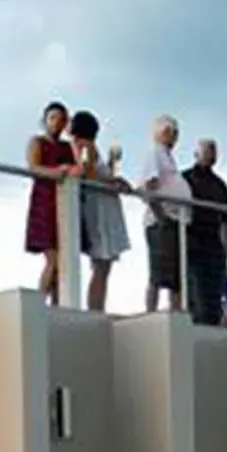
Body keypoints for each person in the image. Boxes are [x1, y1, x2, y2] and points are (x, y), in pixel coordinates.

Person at [69, 111, 132, 312]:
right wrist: (113, 181)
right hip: (99, 207)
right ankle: (96, 308)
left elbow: (91, 170)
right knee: (101, 265)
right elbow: (87, 169)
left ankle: (97, 307)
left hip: (100, 204)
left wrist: (112, 166)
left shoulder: (84, 147)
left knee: (101, 266)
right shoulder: (85, 146)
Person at [24, 101, 78, 304]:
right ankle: (39, 303)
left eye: (62, 119)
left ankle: (56, 304)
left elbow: (79, 168)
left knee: (63, 260)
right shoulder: (37, 141)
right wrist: (57, 172)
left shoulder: (66, 146)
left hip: (64, 204)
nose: (57, 123)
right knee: (53, 258)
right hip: (44, 201)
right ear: (45, 120)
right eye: (53, 118)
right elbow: (33, 167)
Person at [138, 114, 191, 313]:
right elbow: (149, 186)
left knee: (175, 275)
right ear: (163, 132)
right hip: (161, 221)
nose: (175, 137)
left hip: (176, 220)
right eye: (172, 132)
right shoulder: (155, 153)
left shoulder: (168, 156)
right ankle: (150, 312)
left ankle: (175, 312)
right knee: (158, 272)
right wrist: (161, 217)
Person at [180, 137, 227, 327]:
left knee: (213, 300)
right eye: (207, 150)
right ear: (196, 154)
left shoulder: (220, 185)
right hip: (192, 244)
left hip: (214, 247)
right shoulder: (185, 179)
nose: (211, 154)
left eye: (214, 150)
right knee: (195, 296)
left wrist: (226, 251)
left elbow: (226, 221)